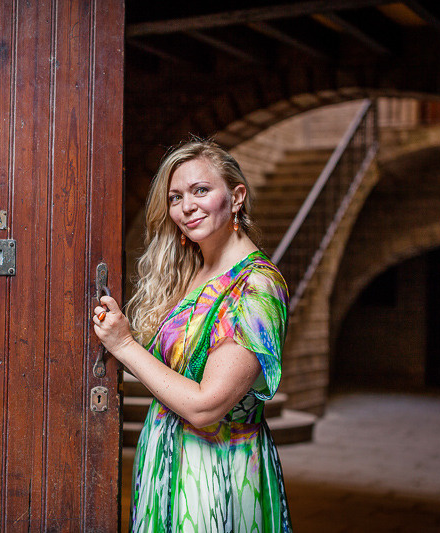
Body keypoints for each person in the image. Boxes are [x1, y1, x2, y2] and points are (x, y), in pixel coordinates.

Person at [92, 140, 292, 532]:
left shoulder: (256, 287)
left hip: (217, 471)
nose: (186, 206)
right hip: (166, 459)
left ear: (236, 197)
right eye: (175, 197)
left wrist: (124, 345)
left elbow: (206, 407)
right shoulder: (194, 272)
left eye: (201, 190)